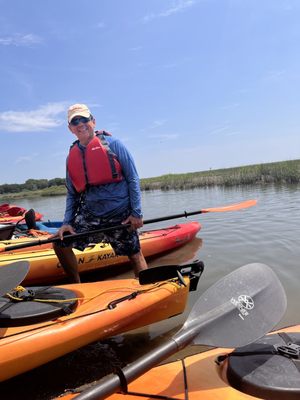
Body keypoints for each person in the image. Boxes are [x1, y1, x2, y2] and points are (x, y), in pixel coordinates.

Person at [53, 103, 148, 283]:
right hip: (90, 216)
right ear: (70, 128)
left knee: (135, 255)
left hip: (119, 214)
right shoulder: (71, 156)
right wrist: (67, 222)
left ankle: (147, 288)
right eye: (75, 121)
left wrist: (136, 213)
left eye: (84, 119)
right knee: (59, 243)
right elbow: (72, 193)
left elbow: (133, 179)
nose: (80, 124)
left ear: (93, 122)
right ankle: (78, 286)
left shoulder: (114, 144)